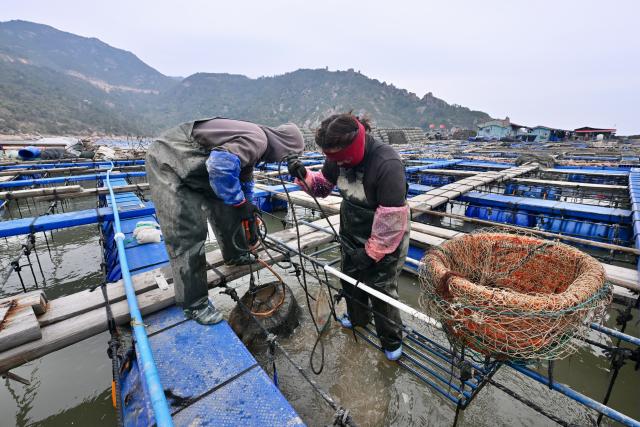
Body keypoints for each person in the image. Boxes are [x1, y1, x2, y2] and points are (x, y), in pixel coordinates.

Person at [146, 117, 304, 325]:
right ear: (284, 146)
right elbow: (220, 166)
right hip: (170, 160)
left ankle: (235, 254)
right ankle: (194, 304)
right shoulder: (258, 139)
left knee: (229, 207)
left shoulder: (256, 143)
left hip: (202, 168)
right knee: (188, 231)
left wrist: (246, 207)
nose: (279, 162)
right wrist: (239, 202)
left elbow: (244, 179)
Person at [288, 113, 409, 361]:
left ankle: (391, 339)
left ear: (355, 144)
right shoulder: (336, 159)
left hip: (387, 236)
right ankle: (358, 319)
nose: (338, 164)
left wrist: (370, 253)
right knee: (350, 278)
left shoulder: (387, 164)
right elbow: (322, 187)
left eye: (342, 158)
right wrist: (305, 176)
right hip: (352, 229)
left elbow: (391, 223)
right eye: (333, 159)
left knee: (381, 289)